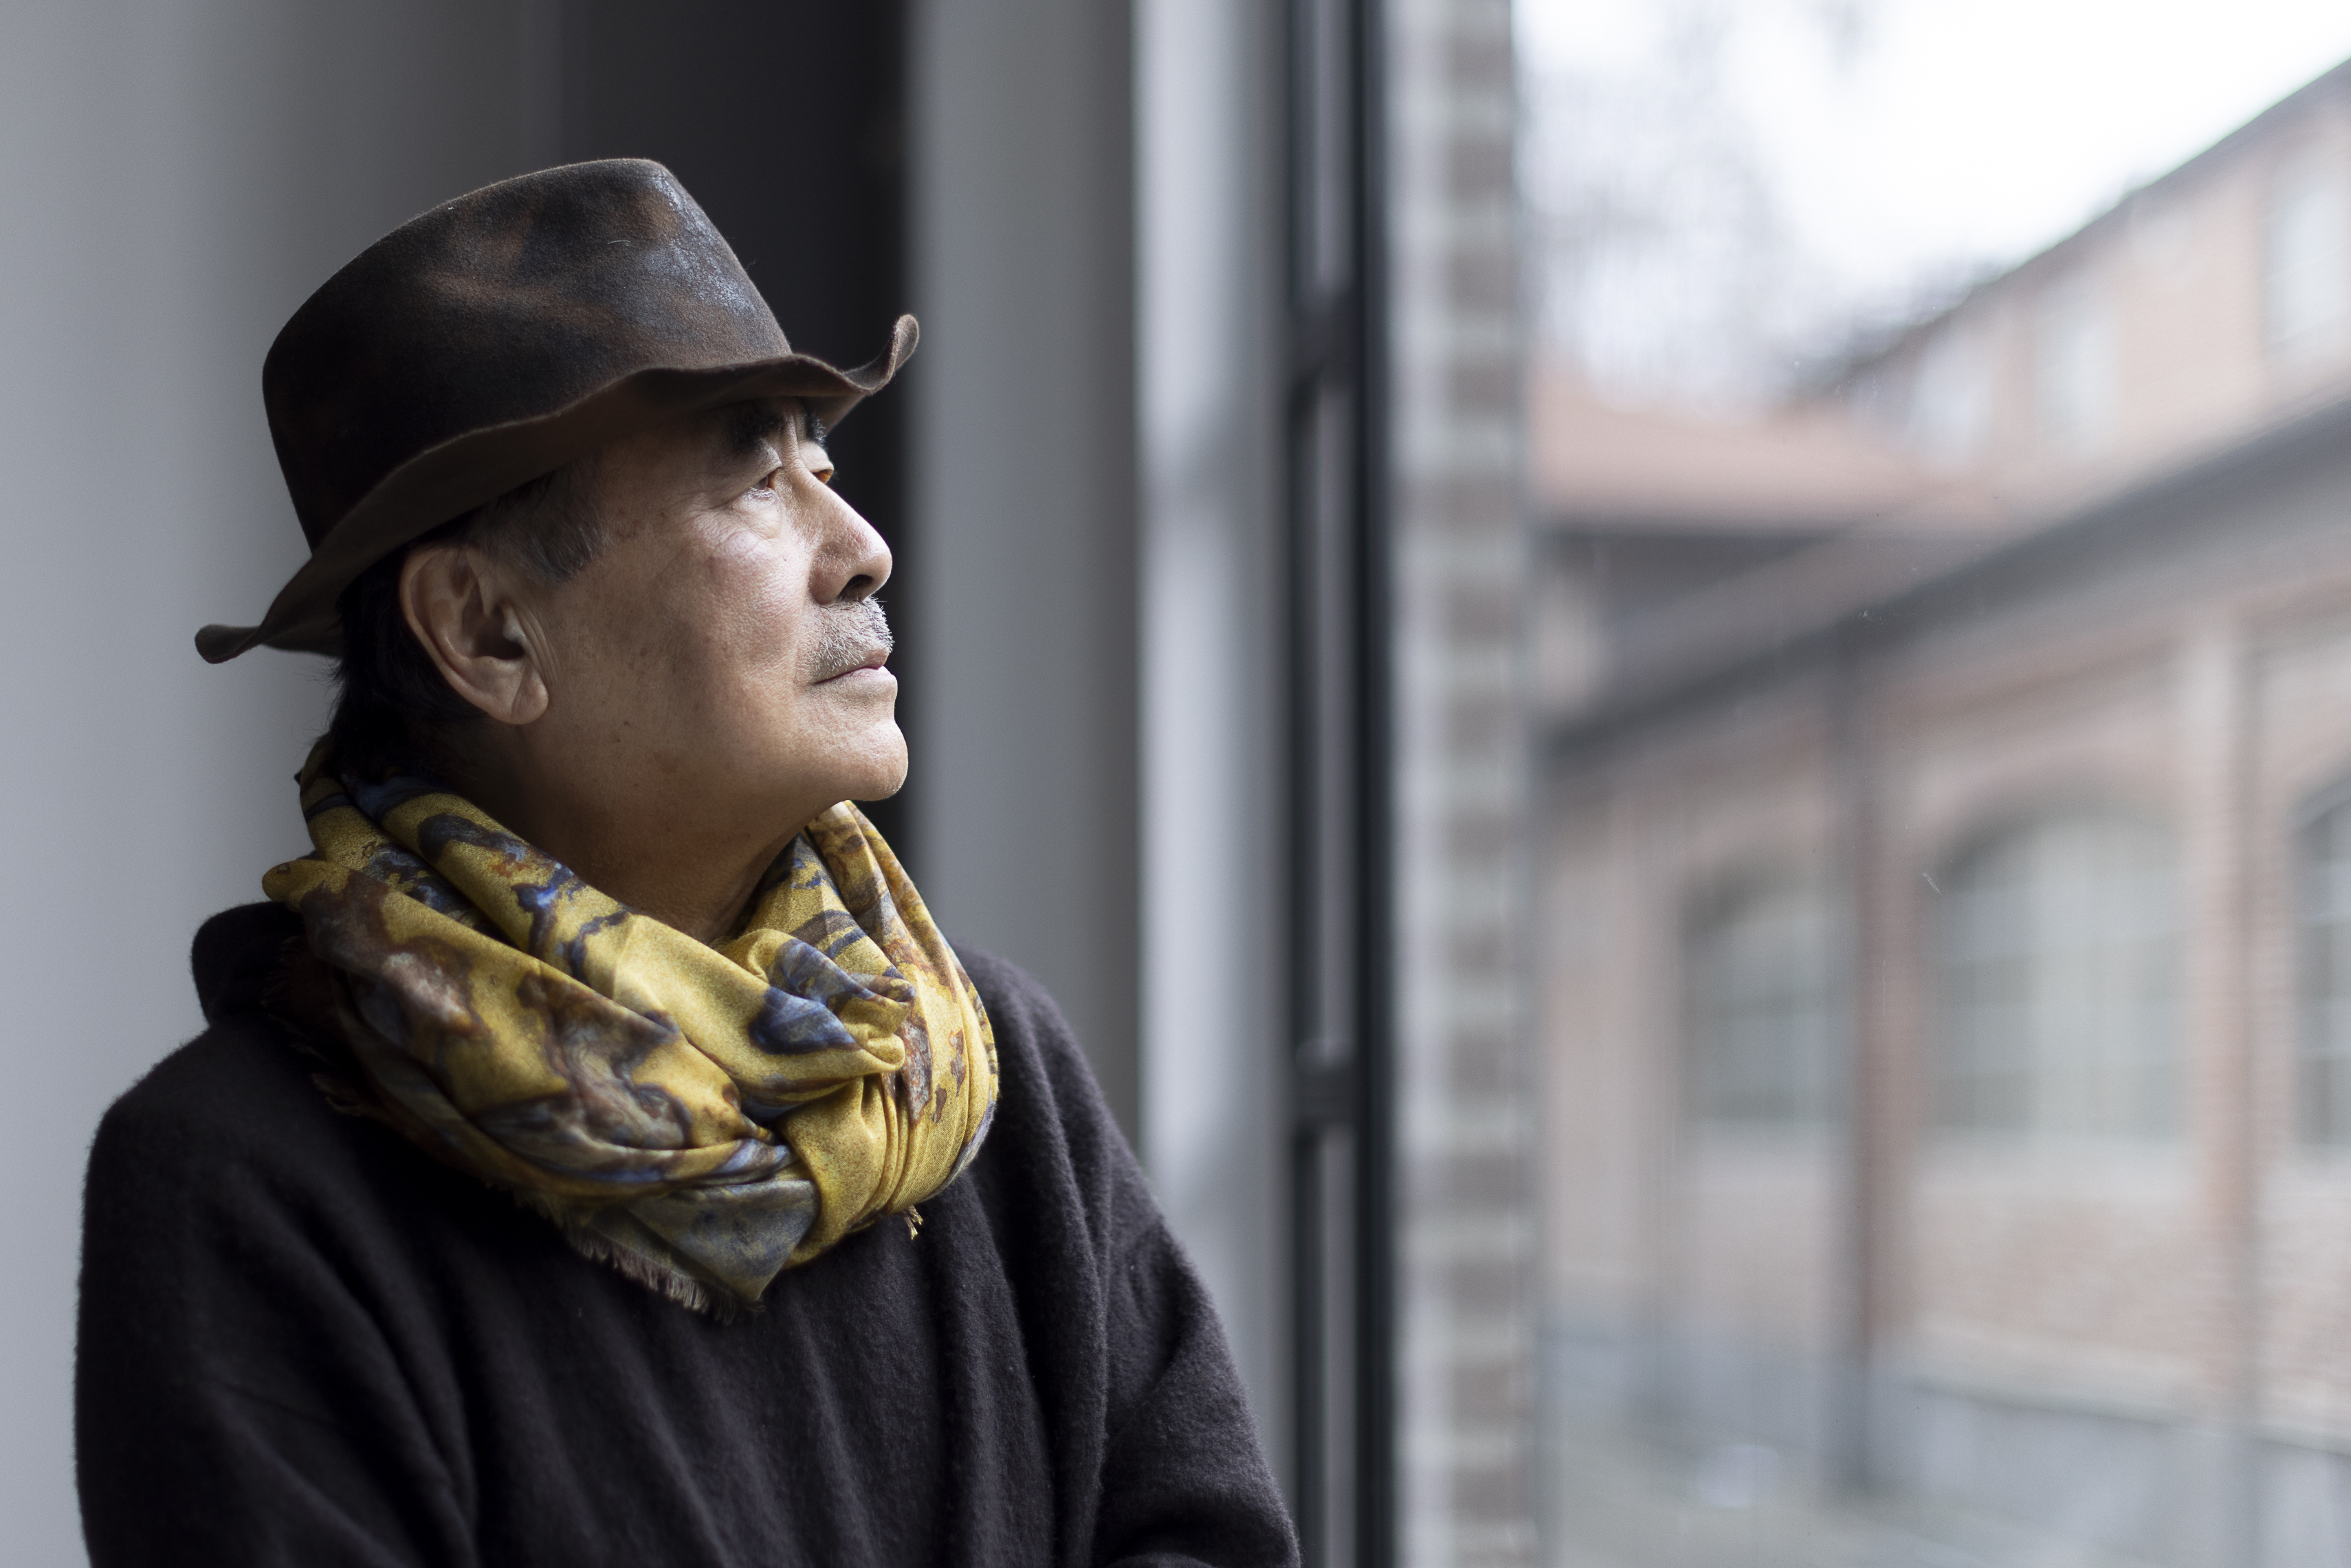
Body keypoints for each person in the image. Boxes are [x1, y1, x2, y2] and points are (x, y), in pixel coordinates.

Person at [74, 159, 1295, 1568]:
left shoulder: (989, 1075)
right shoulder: (247, 1187)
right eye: (757, 482)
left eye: (822, 465)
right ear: (486, 631)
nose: (863, 550)